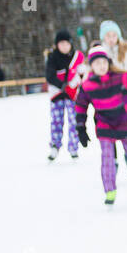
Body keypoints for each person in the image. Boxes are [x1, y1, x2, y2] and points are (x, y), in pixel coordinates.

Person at [74, 45, 127, 205]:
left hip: (124, 121)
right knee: (108, 158)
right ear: (91, 66)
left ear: (108, 63)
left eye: (104, 62)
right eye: (97, 63)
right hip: (105, 125)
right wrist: (81, 128)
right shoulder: (87, 85)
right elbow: (80, 106)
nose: (101, 66)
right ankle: (110, 191)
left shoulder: (119, 77)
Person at [45, 29, 85, 161]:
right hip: (57, 94)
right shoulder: (52, 57)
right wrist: (61, 85)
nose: (64, 46)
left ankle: (74, 148)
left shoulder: (75, 57)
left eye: (66, 43)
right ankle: (55, 146)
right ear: (57, 45)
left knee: (74, 121)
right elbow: (49, 75)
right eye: (61, 43)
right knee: (57, 121)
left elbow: (81, 73)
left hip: (72, 94)